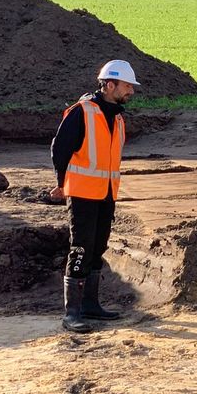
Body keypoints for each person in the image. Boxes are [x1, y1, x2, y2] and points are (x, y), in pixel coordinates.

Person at [50, 60, 139, 333]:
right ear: (109, 84)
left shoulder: (118, 118)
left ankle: (90, 305)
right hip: (82, 195)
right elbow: (59, 148)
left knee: (98, 247)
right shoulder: (82, 112)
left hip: (106, 194)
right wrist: (62, 183)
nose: (131, 92)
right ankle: (72, 313)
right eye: (127, 86)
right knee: (81, 248)